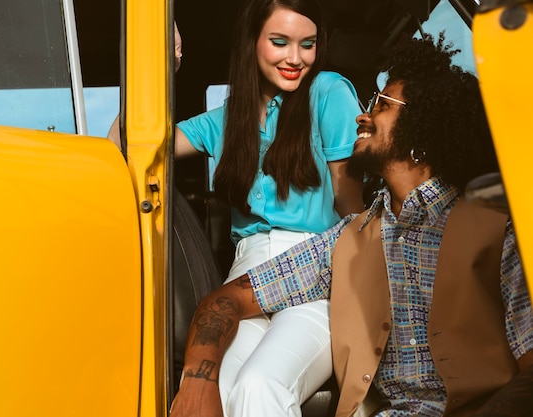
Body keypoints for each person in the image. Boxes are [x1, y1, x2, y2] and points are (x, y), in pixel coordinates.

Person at [169, 33, 533, 417]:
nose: (363, 114)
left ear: (422, 129)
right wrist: (197, 382)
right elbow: (224, 301)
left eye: (381, 104)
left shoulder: (501, 229)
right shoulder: (348, 239)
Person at [162, 0, 364, 415]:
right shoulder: (224, 120)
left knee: (260, 386)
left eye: (307, 44)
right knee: (204, 389)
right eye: (279, 42)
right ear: (252, 42)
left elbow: (351, 205)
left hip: (316, 276)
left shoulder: (329, 92)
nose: (295, 58)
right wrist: (165, 61)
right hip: (246, 277)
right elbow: (128, 144)